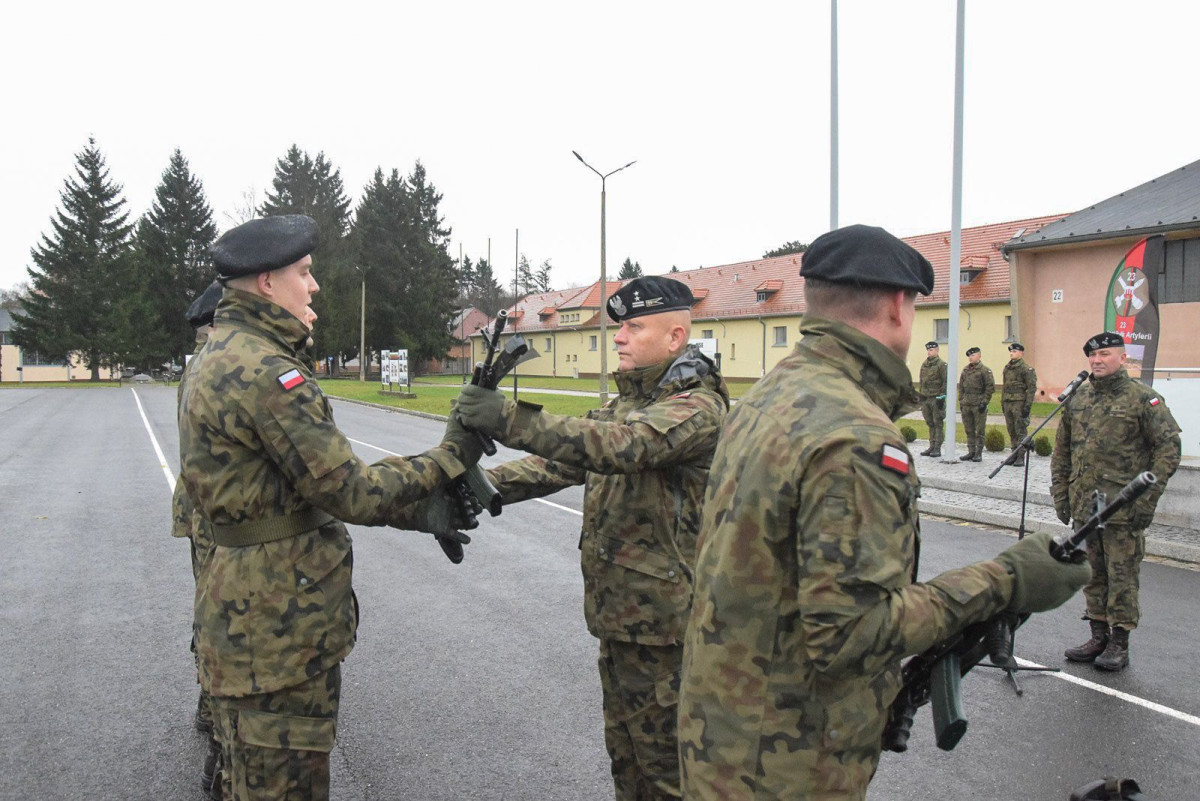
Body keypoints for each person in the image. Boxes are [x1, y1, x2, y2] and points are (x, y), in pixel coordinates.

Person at [677, 224, 1090, 801]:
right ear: (899, 306)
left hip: (722, 731)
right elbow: (849, 636)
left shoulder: (769, 396)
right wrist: (1005, 580)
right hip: (783, 764)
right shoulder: (855, 437)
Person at [178, 215, 481, 801]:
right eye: (305, 272)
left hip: (249, 618)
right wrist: (448, 459)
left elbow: (304, 486)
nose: (312, 286)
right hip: (276, 627)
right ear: (268, 283)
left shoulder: (225, 352)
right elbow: (351, 490)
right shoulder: (267, 372)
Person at [453, 276, 730, 801]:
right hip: (623, 622)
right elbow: (560, 462)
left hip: (667, 633)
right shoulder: (631, 402)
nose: (618, 337)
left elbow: (622, 447)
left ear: (675, 338)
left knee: (670, 776)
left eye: (633, 327)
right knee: (628, 766)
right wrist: (477, 488)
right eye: (618, 327)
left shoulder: (696, 407)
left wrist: (507, 418)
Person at [1052, 332, 1181, 672]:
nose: (1097, 361)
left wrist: (1146, 501)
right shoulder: (1077, 400)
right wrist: (1061, 494)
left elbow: (1168, 450)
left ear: (1123, 358)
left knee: (1122, 576)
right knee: (1092, 574)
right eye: (1093, 356)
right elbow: (1062, 452)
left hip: (1123, 508)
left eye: (1105, 355)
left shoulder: (1143, 399)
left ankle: (1119, 643)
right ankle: (1097, 636)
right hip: (1085, 505)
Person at [172, 279, 224, 796]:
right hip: (213, 516)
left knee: (209, 605)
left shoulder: (195, 367)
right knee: (219, 613)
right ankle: (218, 728)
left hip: (197, 509)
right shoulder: (215, 366)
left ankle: (210, 710)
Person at [1001, 342, 1038, 465]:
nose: (1012, 353)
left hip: (1019, 403)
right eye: (1011, 351)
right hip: (1008, 402)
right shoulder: (1007, 368)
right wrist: (1003, 402)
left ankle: (1021, 456)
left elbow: (1031, 389)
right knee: (1011, 429)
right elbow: (1005, 386)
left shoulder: (1026, 369)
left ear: (1021, 353)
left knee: (1020, 430)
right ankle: (1013, 454)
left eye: (1015, 351)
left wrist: (1027, 406)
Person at [957, 346, 994, 462]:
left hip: (978, 404)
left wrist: (984, 402)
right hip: (967, 403)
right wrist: (961, 400)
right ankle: (971, 451)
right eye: (969, 356)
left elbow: (989, 388)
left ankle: (978, 453)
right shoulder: (965, 370)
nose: (970, 358)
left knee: (979, 430)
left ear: (979, 356)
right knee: (969, 429)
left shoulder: (984, 370)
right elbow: (961, 387)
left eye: (973, 355)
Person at [917, 340, 947, 457]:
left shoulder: (941, 365)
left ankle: (937, 447)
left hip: (936, 398)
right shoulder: (925, 364)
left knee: (937, 422)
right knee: (930, 422)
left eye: (931, 350)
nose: (929, 352)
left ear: (937, 350)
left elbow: (945, 382)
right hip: (926, 398)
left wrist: (941, 397)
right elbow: (921, 381)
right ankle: (931, 445)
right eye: (928, 350)